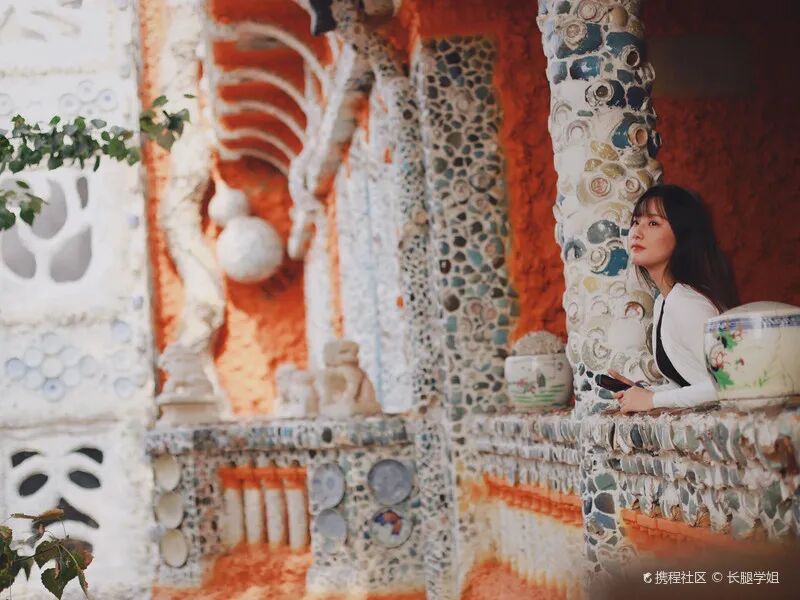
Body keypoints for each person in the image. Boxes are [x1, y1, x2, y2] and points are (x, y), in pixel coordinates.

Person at [608, 184, 739, 413]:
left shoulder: (687, 303)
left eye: (653, 223)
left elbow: (730, 383)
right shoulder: (664, 301)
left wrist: (654, 401)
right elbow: (692, 381)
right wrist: (644, 392)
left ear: (682, 236)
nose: (637, 232)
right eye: (636, 222)